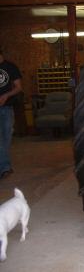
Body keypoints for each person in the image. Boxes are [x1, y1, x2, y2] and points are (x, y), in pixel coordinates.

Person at [0, 49, 22, 179]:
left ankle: (3, 164)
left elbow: (19, 87)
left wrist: (6, 95)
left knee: (6, 137)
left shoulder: (11, 67)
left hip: (7, 108)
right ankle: (5, 167)